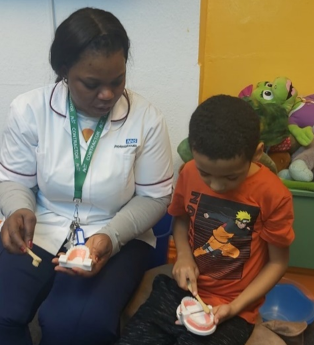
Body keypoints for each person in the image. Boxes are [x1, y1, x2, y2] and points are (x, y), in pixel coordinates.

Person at [0, 7, 173, 345]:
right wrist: (18, 208)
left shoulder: (147, 119)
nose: (107, 95)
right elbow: (13, 180)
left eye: (117, 81)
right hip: (43, 222)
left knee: (77, 323)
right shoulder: (29, 110)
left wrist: (110, 237)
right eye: (92, 84)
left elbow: (155, 197)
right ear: (63, 71)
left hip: (117, 230)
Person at [116, 95, 295, 345]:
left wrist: (235, 307)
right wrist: (184, 256)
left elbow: (277, 264)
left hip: (236, 306)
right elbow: (179, 218)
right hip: (182, 290)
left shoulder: (274, 194)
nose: (217, 185)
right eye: (205, 174)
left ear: (257, 153)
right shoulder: (189, 171)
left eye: (231, 177)